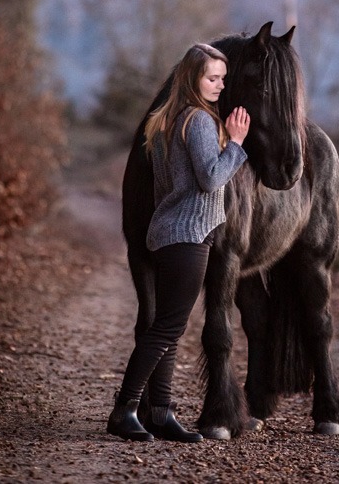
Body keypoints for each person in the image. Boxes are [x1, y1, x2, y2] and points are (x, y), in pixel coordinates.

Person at [107, 42, 250, 443]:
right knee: (167, 327)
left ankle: (160, 412)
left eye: (222, 78)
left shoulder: (167, 119)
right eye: (212, 78)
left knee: (169, 326)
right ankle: (124, 410)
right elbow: (210, 178)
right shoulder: (200, 121)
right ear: (192, 78)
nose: (220, 86)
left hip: (171, 231)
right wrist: (236, 143)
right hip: (188, 234)